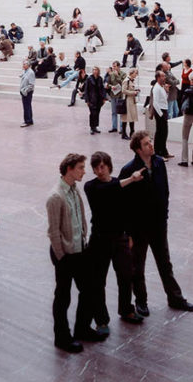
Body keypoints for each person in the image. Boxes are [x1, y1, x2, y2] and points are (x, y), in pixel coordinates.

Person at [119, 131, 193, 316]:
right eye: (146, 144)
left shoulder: (159, 162)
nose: (151, 145)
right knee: (138, 266)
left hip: (158, 225)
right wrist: (128, 233)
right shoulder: (129, 170)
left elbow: (165, 191)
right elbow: (123, 204)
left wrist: (164, 217)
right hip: (138, 228)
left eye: (150, 141)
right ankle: (141, 302)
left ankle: (175, 298)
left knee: (165, 263)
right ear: (138, 149)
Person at [84, 151, 146, 333]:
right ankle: (101, 320)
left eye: (102, 166)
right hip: (100, 240)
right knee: (98, 281)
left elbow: (125, 212)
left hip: (119, 238)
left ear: (109, 166)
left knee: (126, 276)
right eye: (96, 167)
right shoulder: (91, 186)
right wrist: (131, 180)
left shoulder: (118, 185)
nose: (99, 170)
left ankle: (126, 310)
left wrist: (130, 235)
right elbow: (109, 189)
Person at [46, 153, 100, 353]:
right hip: (66, 255)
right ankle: (62, 337)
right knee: (63, 297)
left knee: (88, 290)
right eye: (80, 168)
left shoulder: (74, 190)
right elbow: (53, 232)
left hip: (80, 251)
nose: (84, 171)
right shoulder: (56, 196)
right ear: (69, 169)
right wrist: (62, 257)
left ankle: (82, 328)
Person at [150, 70, 170, 158]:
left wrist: (167, 91)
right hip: (160, 111)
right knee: (160, 132)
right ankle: (158, 153)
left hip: (164, 110)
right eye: (163, 76)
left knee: (164, 132)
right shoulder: (156, 88)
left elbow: (164, 99)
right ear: (158, 78)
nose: (164, 77)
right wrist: (161, 114)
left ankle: (164, 151)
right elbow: (155, 103)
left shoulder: (161, 87)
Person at [83, 66, 106, 135]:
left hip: (99, 99)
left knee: (97, 113)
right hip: (91, 99)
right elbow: (86, 90)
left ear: (98, 71)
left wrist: (104, 98)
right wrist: (87, 100)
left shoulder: (100, 79)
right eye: (93, 70)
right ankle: (91, 128)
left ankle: (95, 127)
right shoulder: (89, 79)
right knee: (92, 114)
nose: (94, 71)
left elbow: (102, 89)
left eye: (96, 70)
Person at [105, 62, 125, 133]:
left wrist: (118, 76)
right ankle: (114, 127)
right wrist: (110, 86)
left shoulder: (123, 74)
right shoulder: (111, 74)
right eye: (113, 67)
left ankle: (122, 128)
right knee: (114, 112)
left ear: (119, 67)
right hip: (113, 94)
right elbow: (108, 83)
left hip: (120, 95)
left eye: (115, 66)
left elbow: (124, 83)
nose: (113, 68)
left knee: (121, 112)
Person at [121, 68, 140, 140]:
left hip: (132, 100)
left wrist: (135, 91)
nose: (136, 75)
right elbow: (123, 90)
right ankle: (124, 133)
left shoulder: (132, 81)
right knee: (126, 117)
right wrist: (133, 92)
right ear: (131, 73)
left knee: (132, 117)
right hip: (128, 100)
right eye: (135, 73)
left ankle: (132, 132)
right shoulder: (126, 81)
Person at [20, 60, 35, 127]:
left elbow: (31, 84)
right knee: (27, 106)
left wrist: (25, 91)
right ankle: (29, 120)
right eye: (23, 64)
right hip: (24, 91)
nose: (23, 65)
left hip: (27, 92)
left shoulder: (31, 72)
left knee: (27, 107)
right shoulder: (25, 71)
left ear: (28, 65)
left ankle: (27, 121)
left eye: (24, 64)